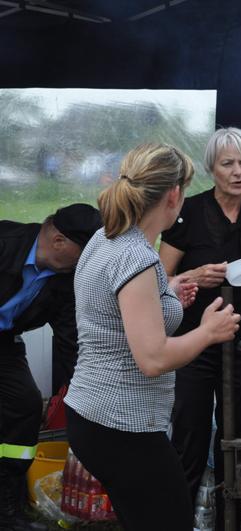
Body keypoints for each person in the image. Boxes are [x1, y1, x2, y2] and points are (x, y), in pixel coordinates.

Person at [64, 143, 241, 530]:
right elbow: (153, 358)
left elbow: (117, 309)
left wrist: (169, 292)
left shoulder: (107, 238)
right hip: (120, 424)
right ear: (174, 194)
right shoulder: (137, 257)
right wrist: (208, 332)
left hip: (90, 414)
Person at [159, 127, 241, 528]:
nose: (237, 172)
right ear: (212, 168)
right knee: (190, 435)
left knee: (240, 437)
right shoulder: (189, 214)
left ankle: (232, 519)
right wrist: (195, 273)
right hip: (194, 341)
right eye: (228, 163)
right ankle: (181, 518)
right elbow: (160, 277)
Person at [0, 203, 100, 531]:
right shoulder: (5, 241)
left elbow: (70, 340)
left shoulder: (66, 279)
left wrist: (82, 392)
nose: (87, 261)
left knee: (25, 404)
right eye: (84, 252)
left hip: (4, 342)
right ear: (58, 241)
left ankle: (8, 507)